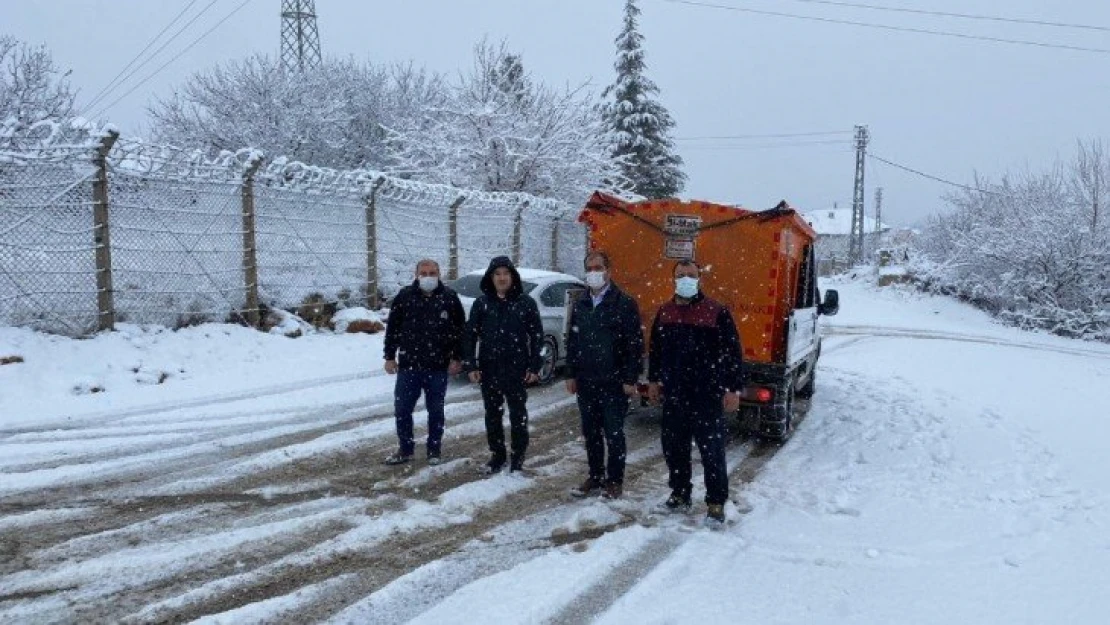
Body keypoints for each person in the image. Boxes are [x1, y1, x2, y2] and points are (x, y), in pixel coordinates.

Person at [647, 259, 744, 524]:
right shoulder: (665, 312)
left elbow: (732, 353)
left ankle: (715, 502)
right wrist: (654, 380)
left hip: (707, 395)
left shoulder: (716, 312)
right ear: (673, 279)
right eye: (681, 275)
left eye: (691, 275)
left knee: (711, 451)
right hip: (675, 395)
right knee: (674, 449)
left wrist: (732, 388)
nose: (686, 279)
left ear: (700, 278)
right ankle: (680, 493)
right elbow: (655, 350)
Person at [566, 250, 644, 500]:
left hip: (613, 382)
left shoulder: (624, 303)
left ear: (609, 271)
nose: (594, 273)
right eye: (590, 268)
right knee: (590, 432)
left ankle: (614, 481)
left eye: (599, 268)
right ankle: (596, 475)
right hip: (587, 380)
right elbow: (573, 340)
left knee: (614, 433)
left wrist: (630, 378)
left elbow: (634, 345)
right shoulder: (581, 303)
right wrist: (571, 373)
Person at [463, 256, 543, 474]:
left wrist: (535, 367)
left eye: (505, 273)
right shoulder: (482, 304)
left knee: (518, 415)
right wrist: (471, 365)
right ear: (491, 277)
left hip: (518, 370)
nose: (501, 278)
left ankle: (518, 456)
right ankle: (497, 455)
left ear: (512, 277)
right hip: (489, 370)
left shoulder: (525, 303)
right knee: (492, 415)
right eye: (497, 274)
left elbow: (537, 336)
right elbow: (469, 335)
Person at [382, 259, 465, 466]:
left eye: (432, 273)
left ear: (439, 274)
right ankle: (405, 449)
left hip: (437, 367)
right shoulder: (405, 297)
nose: (428, 277)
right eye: (424, 273)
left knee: (436, 411)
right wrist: (389, 356)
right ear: (416, 274)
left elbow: (460, 331)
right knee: (402, 410)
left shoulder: (449, 298)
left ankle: (434, 450)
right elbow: (393, 328)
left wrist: (457, 357)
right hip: (409, 366)